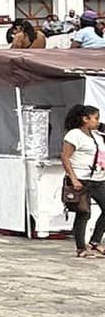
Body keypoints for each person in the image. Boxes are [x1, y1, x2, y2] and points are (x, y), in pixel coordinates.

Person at [61, 103, 105, 258]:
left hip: (98, 178)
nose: (97, 121)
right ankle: (81, 247)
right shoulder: (74, 135)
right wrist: (73, 178)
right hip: (81, 178)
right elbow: (65, 157)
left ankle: (95, 241)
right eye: (95, 118)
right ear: (85, 119)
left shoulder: (97, 135)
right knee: (84, 212)